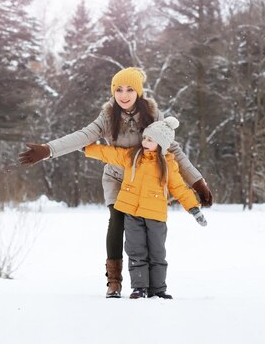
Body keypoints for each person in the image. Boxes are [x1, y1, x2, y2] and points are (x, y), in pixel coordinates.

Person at [19, 67, 213, 298]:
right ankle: (114, 282)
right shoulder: (107, 116)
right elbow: (83, 136)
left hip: (145, 180)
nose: (124, 95)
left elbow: (173, 151)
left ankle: (152, 284)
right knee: (117, 221)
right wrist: (48, 150)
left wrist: (198, 182)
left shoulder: (153, 115)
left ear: (138, 92)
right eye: (118, 89)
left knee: (148, 233)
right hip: (116, 177)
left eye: (130, 89)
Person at [84, 117, 208, 299]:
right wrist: (87, 148)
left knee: (157, 253)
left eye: (150, 140)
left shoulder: (167, 164)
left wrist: (193, 209)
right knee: (136, 252)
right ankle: (139, 287)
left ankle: (158, 288)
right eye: (144, 138)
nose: (144, 142)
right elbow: (109, 153)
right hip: (132, 214)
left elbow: (180, 189)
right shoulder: (133, 157)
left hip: (155, 216)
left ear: (162, 143)